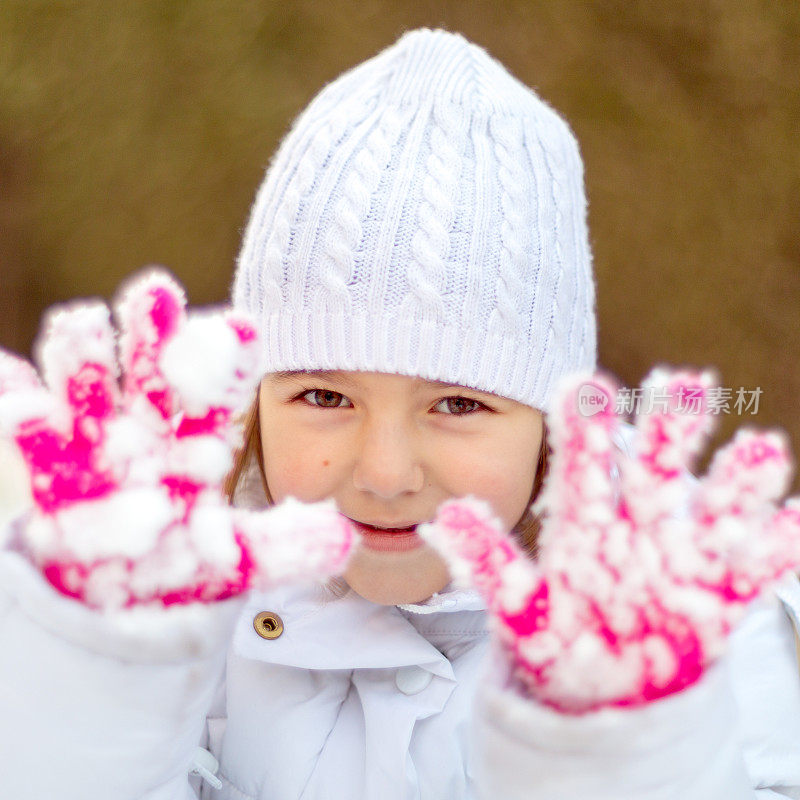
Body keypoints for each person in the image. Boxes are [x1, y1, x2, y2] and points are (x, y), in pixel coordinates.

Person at [1, 27, 800, 800]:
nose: (385, 473)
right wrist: (99, 672)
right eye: (324, 396)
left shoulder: (700, 626)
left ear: (551, 425)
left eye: (458, 404)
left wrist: (631, 754)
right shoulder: (166, 588)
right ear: (254, 402)